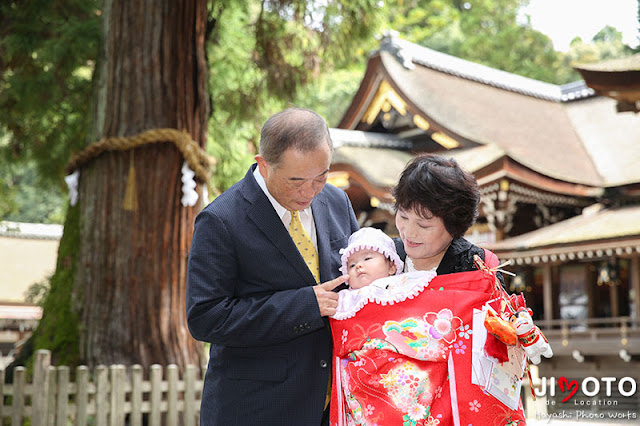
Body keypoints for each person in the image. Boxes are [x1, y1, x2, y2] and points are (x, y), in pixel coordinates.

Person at [186, 107, 359, 426]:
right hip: (256, 409)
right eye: (296, 181)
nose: (309, 192)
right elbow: (206, 317)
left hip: (334, 406)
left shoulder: (336, 201)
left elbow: (361, 269)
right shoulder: (221, 221)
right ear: (263, 164)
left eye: (320, 177)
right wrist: (304, 305)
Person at [392, 153, 505, 288]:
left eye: (423, 225)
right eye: (404, 217)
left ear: (453, 225)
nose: (409, 233)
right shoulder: (382, 254)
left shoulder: (478, 267)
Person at [339, 227, 404, 290]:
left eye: (367, 259)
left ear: (391, 267)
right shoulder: (345, 297)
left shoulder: (402, 287)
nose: (358, 266)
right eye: (352, 265)